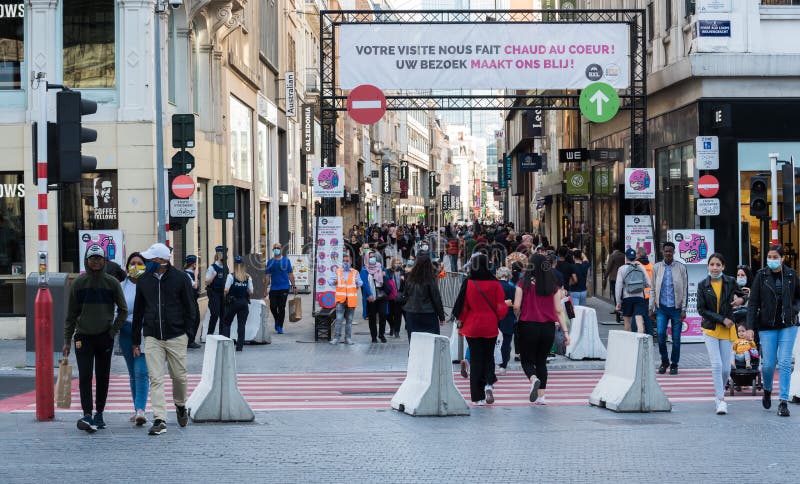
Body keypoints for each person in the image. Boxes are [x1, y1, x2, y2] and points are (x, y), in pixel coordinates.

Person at [133, 242, 196, 435]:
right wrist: (136, 340)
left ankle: (180, 405)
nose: (146, 263)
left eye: (150, 260)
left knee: (179, 376)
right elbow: (138, 311)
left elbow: (191, 308)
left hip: (176, 335)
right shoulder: (144, 280)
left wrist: (188, 334)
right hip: (152, 336)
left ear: (161, 261)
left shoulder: (180, 278)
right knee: (155, 378)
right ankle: (159, 419)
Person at [63, 244, 128, 433]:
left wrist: (112, 331)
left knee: (102, 376)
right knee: (84, 376)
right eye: (92, 258)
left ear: (104, 260)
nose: (96, 261)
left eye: (99, 258)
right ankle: (87, 414)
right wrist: (67, 340)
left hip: (104, 337)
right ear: (87, 261)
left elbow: (123, 310)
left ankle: (99, 414)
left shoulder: (112, 283)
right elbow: (71, 315)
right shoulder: (78, 283)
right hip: (82, 337)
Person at [746, 244, 800, 417]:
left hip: (788, 325)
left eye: (775, 257)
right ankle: (768, 389)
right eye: (769, 257)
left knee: (784, 362)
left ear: (782, 258)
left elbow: (798, 297)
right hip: (767, 325)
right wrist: (750, 327)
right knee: (768, 364)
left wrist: (794, 310)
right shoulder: (761, 276)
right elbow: (753, 302)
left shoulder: (791, 275)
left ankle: (783, 401)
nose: (772, 260)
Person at [514, 254, 570, 405]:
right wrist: (565, 332)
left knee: (526, 360)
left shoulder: (522, 283)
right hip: (548, 327)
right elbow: (559, 310)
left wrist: (517, 313)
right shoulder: (553, 286)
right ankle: (542, 397)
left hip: (528, 325)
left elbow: (517, 306)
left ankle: (533, 379)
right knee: (541, 361)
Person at [455, 254, 509, 405]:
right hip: (490, 325)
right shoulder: (495, 283)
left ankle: (477, 397)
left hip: (472, 325)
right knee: (489, 357)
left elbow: (463, 306)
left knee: (476, 358)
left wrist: (461, 322)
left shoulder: (469, 282)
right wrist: (499, 316)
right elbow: (501, 307)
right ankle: (488, 385)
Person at [696, 252, 737, 415]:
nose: (714, 268)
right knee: (717, 365)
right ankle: (720, 400)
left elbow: (743, 295)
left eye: (718, 265)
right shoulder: (702, 285)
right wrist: (722, 319)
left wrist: (741, 299)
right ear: (707, 266)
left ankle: (719, 392)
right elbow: (701, 309)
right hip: (711, 328)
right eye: (712, 264)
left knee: (726, 369)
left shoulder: (730, 281)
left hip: (728, 329)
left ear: (723, 267)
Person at [119, 252, 150, 426]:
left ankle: (141, 410)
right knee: (132, 373)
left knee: (141, 371)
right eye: (132, 263)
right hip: (126, 331)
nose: (135, 266)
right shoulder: (121, 286)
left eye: (139, 263)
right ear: (127, 266)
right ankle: (136, 408)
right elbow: (116, 309)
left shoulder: (149, 285)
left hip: (144, 332)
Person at [649, 242, 688, 375]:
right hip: (662, 308)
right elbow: (653, 288)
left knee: (676, 339)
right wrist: (651, 307)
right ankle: (664, 361)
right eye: (666, 251)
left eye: (670, 251)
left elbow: (685, 289)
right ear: (662, 252)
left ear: (674, 252)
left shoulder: (681, 268)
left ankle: (674, 364)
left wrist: (684, 309)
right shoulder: (656, 268)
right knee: (660, 335)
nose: (668, 253)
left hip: (676, 309)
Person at [402, 254, 445, 341]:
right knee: (431, 342)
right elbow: (436, 298)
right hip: (428, 313)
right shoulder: (430, 278)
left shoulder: (410, 277)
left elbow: (406, 295)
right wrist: (441, 316)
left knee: (414, 342)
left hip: (412, 313)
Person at [330, 252, 365, 345]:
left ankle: (348, 338)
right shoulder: (338, 271)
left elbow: (361, 283)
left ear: (351, 262)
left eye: (347, 261)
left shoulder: (355, 272)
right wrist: (333, 281)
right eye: (344, 261)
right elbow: (330, 281)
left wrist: (358, 282)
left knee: (349, 321)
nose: (345, 262)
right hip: (340, 300)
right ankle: (336, 338)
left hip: (351, 300)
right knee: (339, 320)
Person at [615, 248, 652, 334]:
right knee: (640, 324)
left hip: (627, 298)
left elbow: (618, 287)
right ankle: (640, 344)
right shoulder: (640, 267)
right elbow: (649, 283)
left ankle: (629, 345)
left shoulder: (622, 269)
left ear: (626, 257)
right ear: (635, 257)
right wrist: (642, 285)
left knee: (627, 325)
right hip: (639, 298)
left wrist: (618, 302)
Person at [221, 256, 254, 351]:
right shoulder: (248, 277)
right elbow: (251, 291)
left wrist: (225, 295)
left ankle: (226, 345)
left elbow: (226, 290)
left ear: (234, 264)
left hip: (232, 303)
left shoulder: (231, 276)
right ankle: (239, 347)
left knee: (227, 323)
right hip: (243, 303)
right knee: (241, 325)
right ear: (244, 265)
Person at [265, 243, 297, 334]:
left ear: (281, 249)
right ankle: (277, 320)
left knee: (281, 307)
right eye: (274, 248)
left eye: (278, 248)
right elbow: (267, 276)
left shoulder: (286, 261)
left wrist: (294, 286)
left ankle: (280, 326)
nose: (276, 249)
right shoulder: (270, 262)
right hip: (274, 288)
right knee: (273, 306)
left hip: (284, 287)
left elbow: (290, 274)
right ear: (272, 250)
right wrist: (265, 289)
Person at [495, 267, 521, 376]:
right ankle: (503, 366)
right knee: (506, 342)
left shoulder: (494, 287)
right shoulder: (512, 288)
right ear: (508, 276)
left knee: (493, 341)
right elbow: (516, 306)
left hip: (494, 317)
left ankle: (493, 362)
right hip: (508, 317)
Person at [362, 250, 389, 342]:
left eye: (374, 256)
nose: (372, 258)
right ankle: (374, 336)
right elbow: (364, 283)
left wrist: (384, 275)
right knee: (372, 317)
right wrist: (369, 295)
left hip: (381, 294)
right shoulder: (364, 269)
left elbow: (387, 278)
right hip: (371, 296)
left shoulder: (380, 266)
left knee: (383, 314)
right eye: (370, 257)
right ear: (366, 258)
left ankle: (381, 335)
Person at [204, 246, 228, 338]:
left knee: (223, 315)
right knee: (214, 314)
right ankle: (210, 335)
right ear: (218, 255)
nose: (225, 256)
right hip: (214, 293)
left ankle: (222, 335)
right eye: (223, 255)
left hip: (224, 294)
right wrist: (213, 276)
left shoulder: (226, 267)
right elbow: (206, 282)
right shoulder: (212, 268)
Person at [183, 255, 202, 349]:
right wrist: (195, 275)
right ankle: (189, 341)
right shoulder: (187, 274)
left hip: (194, 299)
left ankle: (191, 339)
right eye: (195, 263)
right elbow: (194, 286)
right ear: (193, 264)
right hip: (189, 300)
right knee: (192, 319)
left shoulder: (191, 273)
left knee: (196, 319)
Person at [604, 243, 625, 323]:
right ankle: (623, 312)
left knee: (616, 296)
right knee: (622, 295)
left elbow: (609, 267)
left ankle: (618, 315)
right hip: (622, 277)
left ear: (613, 247)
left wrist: (605, 276)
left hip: (614, 278)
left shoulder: (612, 256)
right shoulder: (623, 255)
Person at [637, 246, 655, 335]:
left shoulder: (636, 265)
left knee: (637, 317)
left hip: (639, 294)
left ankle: (637, 336)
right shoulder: (652, 265)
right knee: (648, 317)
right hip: (650, 295)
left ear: (639, 255)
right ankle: (650, 336)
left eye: (637, 253)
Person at [386, 257, 406, 338]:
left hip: (400, 296)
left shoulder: (403, 272)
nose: (398, 265)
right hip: (390, 296)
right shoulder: (389, 272)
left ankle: (396, 331)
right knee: (388, 314)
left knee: (398, 315)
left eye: (399, 263)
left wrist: (404, 280)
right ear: (393, 264)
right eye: (396, 263)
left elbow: (407, 284)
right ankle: (392, 326)